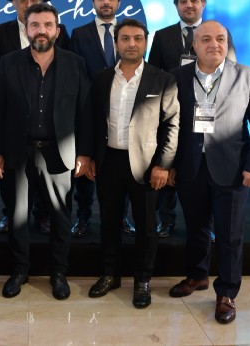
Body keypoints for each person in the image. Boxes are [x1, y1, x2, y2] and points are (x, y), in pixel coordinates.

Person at [167, 20, 250, 324]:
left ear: (227, 43)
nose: (214, 44)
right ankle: (197, 275)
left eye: (221, 39)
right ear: (194, 45)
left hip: (232, 168)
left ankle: (226, 292)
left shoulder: (247, 75)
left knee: (229, 233)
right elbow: (169, 124)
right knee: (196, 227)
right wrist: (169, 165)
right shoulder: (177, 76)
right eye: (207, 39)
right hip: (190, 167)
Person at [0, 3, 92, 300]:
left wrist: (84, 153)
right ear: (26, 29)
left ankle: (58, 273)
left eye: (47, 25)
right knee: (18, 216)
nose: (41, 30)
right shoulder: (9, 62)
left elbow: (85, 112)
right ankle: (19, 271)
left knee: (60, 217)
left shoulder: (75, 63)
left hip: (59, 153)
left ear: (57, 30)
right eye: (35, 25)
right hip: (18, 151)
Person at [87, 18, 179, 308]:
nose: (131, 44)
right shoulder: (102, 78)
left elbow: (172, 125)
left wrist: (163, 165)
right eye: (125, 38)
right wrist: (89, 156)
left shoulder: (162, 79)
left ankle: (142, 280)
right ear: (116, 43)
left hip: (147, 164)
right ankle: (110, 274)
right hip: (108, 161)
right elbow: (91, 122)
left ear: (146, 42)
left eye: (138, 38)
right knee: (109, 222)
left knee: (146, 226)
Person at [147, 0, 237, 238]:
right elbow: (154, 73)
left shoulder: (219, 33)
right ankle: (166, 219)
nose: (189, 5)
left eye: (194, 1)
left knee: (205, 172)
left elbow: (231, 71)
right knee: (169, 165)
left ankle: (205, 225)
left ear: (203, 4)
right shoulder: (162, 35)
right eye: (183, 1)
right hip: (173, 113)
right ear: (176, 6)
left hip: (210, 113)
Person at [0, 0, 70, 234]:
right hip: (16, 121)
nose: (28, 4)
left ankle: (43, 215)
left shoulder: (61, 35)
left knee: (50, 184)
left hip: (50, 126)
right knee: (12, 182)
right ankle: (10, 214)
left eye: (33, 1)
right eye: (22, 0)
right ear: (14, 4)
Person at [68, 0, 135, 238]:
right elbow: (76, 72)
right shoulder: (79, 33)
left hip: (124, 109)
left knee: (121, 168)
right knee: (85, 167)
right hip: (89, 110)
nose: (106, 2)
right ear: (93, 2)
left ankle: (122, 217)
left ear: (119, 2)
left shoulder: (130, 33)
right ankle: (83, 217)